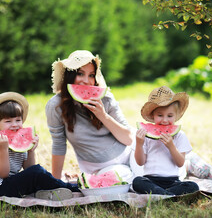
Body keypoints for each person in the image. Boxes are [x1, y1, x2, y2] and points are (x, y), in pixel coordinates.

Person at [46, 50, 141, 182]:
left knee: (151, 173)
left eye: (91, 75)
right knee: (116, 179)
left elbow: (129, 139)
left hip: (131, 153)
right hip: (99, 168)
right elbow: (58, 143)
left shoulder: (106, 98)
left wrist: (103, 116)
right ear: (69, 75)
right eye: (80, 74)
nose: (86, 81)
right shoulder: (55, 106)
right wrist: (55, 180)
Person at [0, 92, 79, 200]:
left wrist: (31, 151)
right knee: (36, 172)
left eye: (18, 120)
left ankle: (48, 192)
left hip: (10, 185)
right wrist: (3, 150)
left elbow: (28, 167)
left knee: (36, 173)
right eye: (8, 121)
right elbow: (4, 174)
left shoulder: (20, 139)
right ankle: (70, 187)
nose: (14, 124)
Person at [132, 86, 199, 195]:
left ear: (176, 116)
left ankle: (161, 195)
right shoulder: (146, 136)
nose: (164, 120)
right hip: (150, 180)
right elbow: (140, 162)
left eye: (170, 116)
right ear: (153, 116)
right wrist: (139, 144)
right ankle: (168, 195)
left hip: (173, 181)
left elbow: (180, 163)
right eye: (160, 115)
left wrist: (171, 146)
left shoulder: (180, 136)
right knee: (137, 182)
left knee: (193, 186)